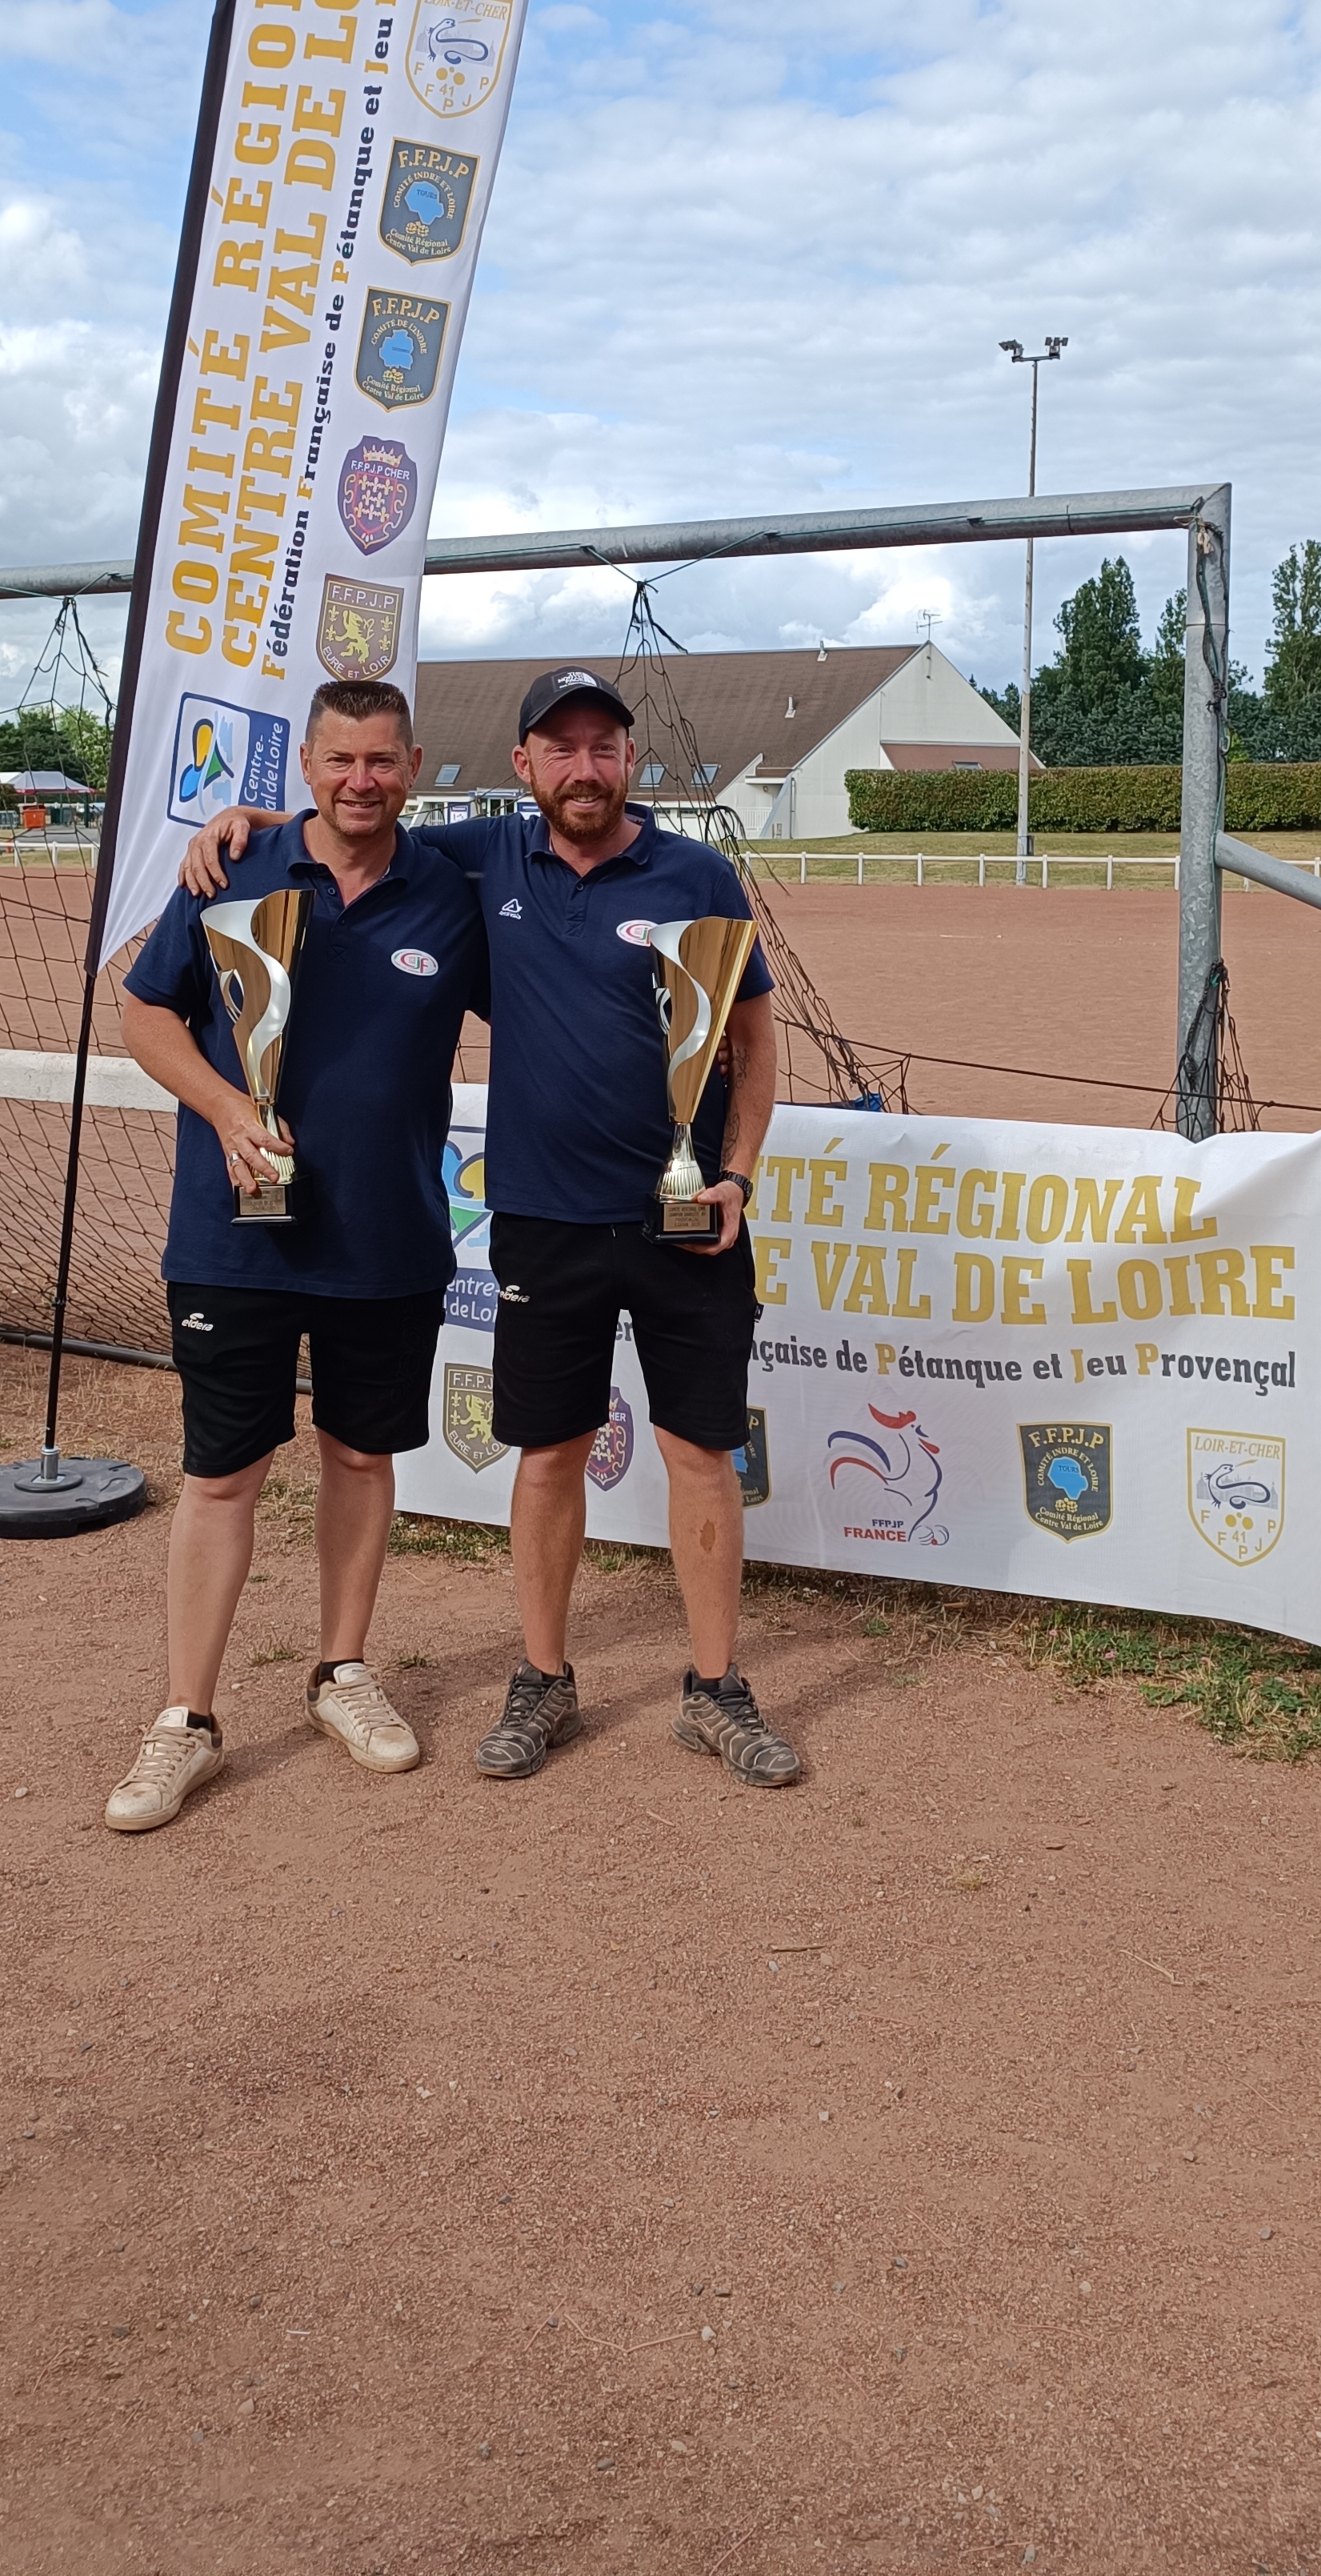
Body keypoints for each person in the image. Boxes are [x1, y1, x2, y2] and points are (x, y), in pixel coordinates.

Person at [182, 666, 800, 1789]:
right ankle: (544, 1681)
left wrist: (739, 1173)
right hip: (541, 1219)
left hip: (685, 1216)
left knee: (699, 1453)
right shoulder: (486, 857)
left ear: (629, 761)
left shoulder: (699, 874)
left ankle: (715, 1689)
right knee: (549, 1453)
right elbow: (356, 820)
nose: (583, 766)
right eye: (558, 748)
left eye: (602, 746)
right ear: (523, 767)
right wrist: (259, 819)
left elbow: (753, 1042)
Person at [105, 679, 487, 1833]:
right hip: (234, 1242)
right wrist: (228, 1112)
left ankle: (342, 1672)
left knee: (362, 1460)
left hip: (388, 1238)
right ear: (306, 768)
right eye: (339, 761)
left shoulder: (455, 893)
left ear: (413, 765)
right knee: (223, 1474)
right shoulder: (231, 873)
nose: (360, 781)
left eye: (381, 761)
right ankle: (185, 1721)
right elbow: (143, 1012)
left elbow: (560, 828)